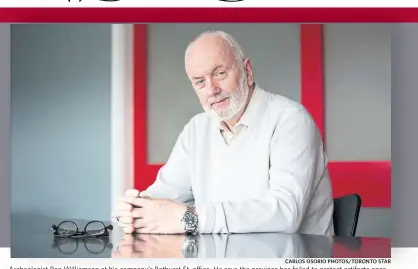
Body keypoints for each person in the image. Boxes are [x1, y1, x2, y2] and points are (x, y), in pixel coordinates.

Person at [116, 30, 334, 236]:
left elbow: (285, 214)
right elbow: (163, 196)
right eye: (200, 82)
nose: (212, 90)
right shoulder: (196, 129)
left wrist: (190, 218)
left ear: (247, 71)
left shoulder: (291, 120)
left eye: (220, 73)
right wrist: (136, 209)